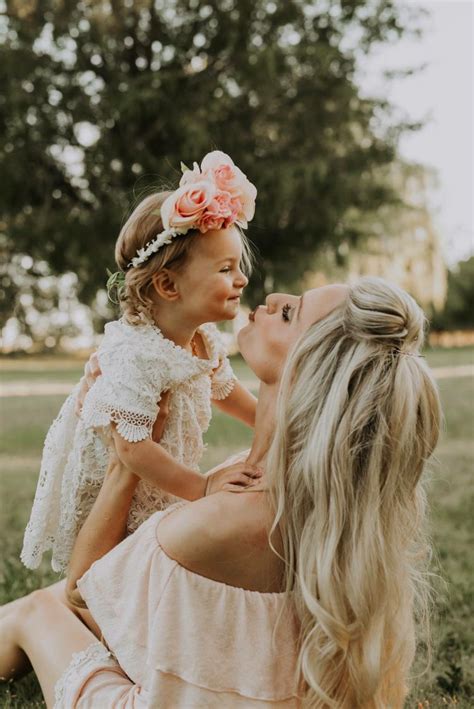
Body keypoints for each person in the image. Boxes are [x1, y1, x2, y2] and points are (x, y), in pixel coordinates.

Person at [1, 277, 441, 707]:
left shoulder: (234, 514)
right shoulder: (308, 491)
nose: (272, 296)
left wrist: (126, 458)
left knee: (41, 607)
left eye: (289, 314)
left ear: (309, 369)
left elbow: (82, 590)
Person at [21, 150, 261, 573]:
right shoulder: (135, 354)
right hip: (113, 490)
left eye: (238, 266)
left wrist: (278, 427)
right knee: (118, 572)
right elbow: (130, 450)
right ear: (168, 285)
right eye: (225, 269)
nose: (241, 278)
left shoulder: (202, 340)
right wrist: (202, 486)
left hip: (161, 481)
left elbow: (228, 394)